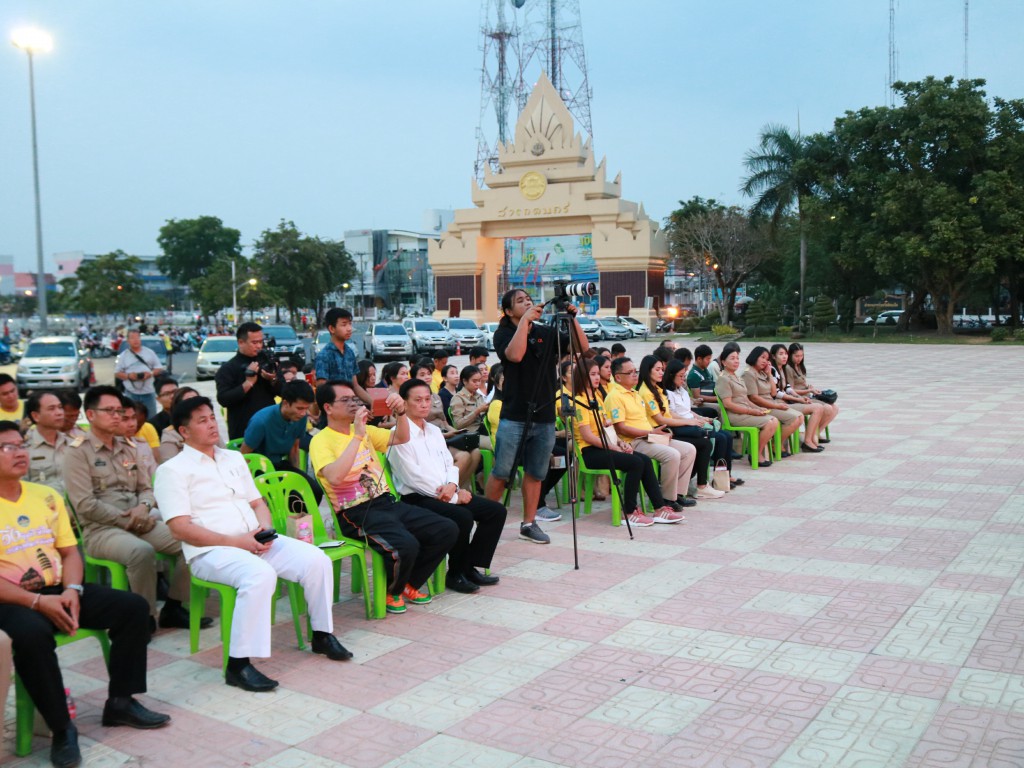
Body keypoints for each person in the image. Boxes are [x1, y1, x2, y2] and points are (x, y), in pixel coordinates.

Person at [0, 421, 170, 768]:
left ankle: (121, 702)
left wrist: (72, 590)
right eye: (8, 447)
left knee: (133, 608)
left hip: (58, 588)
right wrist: (38, 602)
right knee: (32, 635)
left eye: (21, 445)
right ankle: (62, 728)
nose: (20, 453)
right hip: (11, 598)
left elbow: (69, 552)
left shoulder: (45, 496)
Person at [155, 397, 351, 693]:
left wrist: (265, 529)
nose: (212, 425)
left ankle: (322, 634)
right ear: (184, 431)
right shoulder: (173, 470)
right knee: (259, 575)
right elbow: (180, 528)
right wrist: (237, 542)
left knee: (316, 559)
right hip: (211, 552)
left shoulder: (233, 459)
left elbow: (258, 503)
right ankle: (238, 665)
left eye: (212, 417)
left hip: (254, 541)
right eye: (202, 421)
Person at [309, 380, 457, 614]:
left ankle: (408, 583)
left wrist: (401, 413)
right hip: (354, 512)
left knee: (446, 528)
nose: (353, 404)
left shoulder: (363, 430)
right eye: (345, 400)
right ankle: (392, 591)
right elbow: (335, 477)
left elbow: (401, 437)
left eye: (354, 399)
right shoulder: (321, 440)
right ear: (328, 407)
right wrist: (357, 437)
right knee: (406, 545)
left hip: (385, 502)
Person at [63, 386, 201, 630]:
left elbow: (147, 488)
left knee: (193, 540)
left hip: (139, 521)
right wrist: (129, 519)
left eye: (119, 411)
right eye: (109, 411)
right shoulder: (77, 452)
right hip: (101, 529)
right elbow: (85, 504)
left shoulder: (129, 446)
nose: (116, 416)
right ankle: (144, 617)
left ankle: (174, 606)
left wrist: (144, 507)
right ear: (91, 415)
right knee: (141, 552)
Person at [486, 289, 589, 545]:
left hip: (544, 415)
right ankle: (486, 520)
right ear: (508, 311)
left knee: (536, 472)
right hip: (514, 414)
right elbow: (515, 355)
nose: (527, 303)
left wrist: (572, 319)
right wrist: (524, 322)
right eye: (520, 301)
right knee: (502, 471)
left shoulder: (545, 332)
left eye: (529, 300)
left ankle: (529, 524)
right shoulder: (503, 334)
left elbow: (581, 348)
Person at [388, 379, 505, 594]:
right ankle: (455, 574)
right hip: (417, 498)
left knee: (495, 511)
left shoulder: (433, 431)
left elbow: (449, 463)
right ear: (404, 403)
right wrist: (454, 497)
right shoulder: (398, 435)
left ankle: (469, 567)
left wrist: (453, 485)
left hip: (447, 490)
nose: (424, 404)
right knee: (462, 516)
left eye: (427, 399)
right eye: (418, 400)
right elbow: (413, 478)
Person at [569, 360, 673, 526]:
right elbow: (588, 437)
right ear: (581, 377)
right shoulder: (579, 402)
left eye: (598, 374)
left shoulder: (597, 399)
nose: (597, 378)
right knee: (635, 462)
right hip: (589, 452)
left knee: (645, 460)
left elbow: (607, 428)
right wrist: (613, 447)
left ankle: (659, 509)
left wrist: (620, 442)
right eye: (592, 374)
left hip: (605, 446)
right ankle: (629, 512)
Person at [604, 357, 692, 518]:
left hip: (648, 436)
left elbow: (644, 422)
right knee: (672, 454)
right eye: (630, 372)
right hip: (633, 441)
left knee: (688, 449)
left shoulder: (635, 394)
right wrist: (650, 433)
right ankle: (666, 500)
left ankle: (678, 494)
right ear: (618, 377)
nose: (634, 375)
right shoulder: (615, 396)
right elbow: (621, 428)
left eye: (635, 371)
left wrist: (657, 432)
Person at [638, 355, 723, 499]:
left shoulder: (657, 389)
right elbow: (660, 419)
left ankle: (682, 491)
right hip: (658, 433)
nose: (661, 373)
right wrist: (689, 422)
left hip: (665, 430)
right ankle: (686, 490)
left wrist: (694, 420)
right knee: (701, 441)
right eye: (657, 370)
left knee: (704, 441)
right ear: (647, 371)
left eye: (662, 369)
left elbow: (669, 414)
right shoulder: (646, 392)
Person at [662, 359, 742, 489]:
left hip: (691, 422)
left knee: (726, 436)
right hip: (681, 425)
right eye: (681, 376)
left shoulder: (681, 390)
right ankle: (712, 481)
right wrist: (692, 421)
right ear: (671, 375)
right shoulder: (667, 393)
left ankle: (725, 476)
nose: (683, 379)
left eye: (684, 375)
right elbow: (671, 414)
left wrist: (701, 418)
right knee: (719, 438)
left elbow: (688, 410)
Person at [241, 379, 324, 504]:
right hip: (259, 469)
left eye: (306, 408)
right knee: (283, 498)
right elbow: (244, 456)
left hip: (280, 464)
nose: (303, 413)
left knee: (314, 491)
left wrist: (297, 477)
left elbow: (294, 449)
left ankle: (300, 516)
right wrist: (251, 487)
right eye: (299, 408)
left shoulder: (300, 418)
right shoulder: (261, 421)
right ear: (285, 403)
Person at [411, 363, 481, 491]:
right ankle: (447, 489)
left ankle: (461, 487)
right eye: (422, 375)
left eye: (429, 374)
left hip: (445, 435)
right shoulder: (413, 401)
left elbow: (445, 423)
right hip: (433, 439)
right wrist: (445, 435)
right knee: (464, 456)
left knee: (475, 452)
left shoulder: (436, 396)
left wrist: (458, 432)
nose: (427, 377)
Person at [716, 348, 779, 466]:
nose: (736, 361)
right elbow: (728, 404)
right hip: (734, 415)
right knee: (770, 422)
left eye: (737, 358)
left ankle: (756, 452)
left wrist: (758, 409)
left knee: (774, 420)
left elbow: (745, 399)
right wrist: (751, 411)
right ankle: (756, 455)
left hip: (744, 412)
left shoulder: (737, 377)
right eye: (732, 358)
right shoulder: (723, 379)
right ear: (723, 362)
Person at [215, 322, 279, 440]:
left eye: (261, 342)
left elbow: (284, 391)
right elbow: (223, 399)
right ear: (241, 342)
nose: (259, 346)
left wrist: (273, 379)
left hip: (270, 427)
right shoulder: (228, 369)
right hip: (243, 430)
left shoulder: (267, 362)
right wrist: (248, 383)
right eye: (254, 343)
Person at [742, 346, 803, 457]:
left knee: (800, 416)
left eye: (767, 359)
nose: (765, 361)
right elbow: (754, 398)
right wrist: (776, 406)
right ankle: (776, 444)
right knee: (794, 418)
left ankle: (777, 443)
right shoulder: (749, 373)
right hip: (761, 406)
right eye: (762, 357)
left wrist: (769, 374)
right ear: (754, 356)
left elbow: (773, 393)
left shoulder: (762, 372)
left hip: (771, 404)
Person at [770, 344, 826, 452]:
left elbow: (787, 387)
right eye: (781, 354)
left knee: (820, 407)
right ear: (773, 356)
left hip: (786, 401)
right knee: (817, 408)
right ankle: (806, 441)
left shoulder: (782, 368)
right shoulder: (773, 370)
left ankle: (810, 439)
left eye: (785, 354)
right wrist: (798, 399)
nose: (784, 356)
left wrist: (798, 396)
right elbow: (776, 393)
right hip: (778, 403)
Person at [25, 391, 80, 498]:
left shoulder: (73, 443)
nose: (59, 413)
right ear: (36, 416)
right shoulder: (25, 448)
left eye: (60, 407)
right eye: (51, 409)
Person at [785, 343, 840, 443]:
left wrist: (809, 388)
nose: (799, 358)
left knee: (835, 408)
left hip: (807, 395)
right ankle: (811, 435)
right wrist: (809, 390)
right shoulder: (789, 368)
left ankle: (816, 433)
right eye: (796, 356)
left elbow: (801, 384)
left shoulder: (800, 366)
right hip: (798, 398)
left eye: (801, 356)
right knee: (827, 408)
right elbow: (791, 390)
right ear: (790, 355)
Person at [314, 308, 370, 405]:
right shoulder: (324, 355)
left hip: (350, 405)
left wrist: (373, 403)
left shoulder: (350, 353)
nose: (349, 328)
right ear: (332, 329)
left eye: (350, 324)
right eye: (344, 325)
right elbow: (322, 389)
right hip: (334, 409)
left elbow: (355, 386)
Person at [114, 330, 165, 419]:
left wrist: (150, 374)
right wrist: (129, 376)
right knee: (132, 418)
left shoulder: (149, 352)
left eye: (137, 337)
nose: (135, 340)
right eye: (132, 338)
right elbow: (117, 373)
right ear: (128, 340)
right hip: (131, 393)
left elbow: (159, 368)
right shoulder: (123, 356)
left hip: (148, 392)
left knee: (151, 419)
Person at [449, 366, 493, 449]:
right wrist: (477, 411)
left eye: (479, 380)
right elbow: (458, 425)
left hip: (485, 429)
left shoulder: (478, 396)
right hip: (470, 434)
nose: (478, 384)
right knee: (495, 444)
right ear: (465, 381)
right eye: (474, 381)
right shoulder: (458, 398)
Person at [119, 399, 159, 481]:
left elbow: (154, 475)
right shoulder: (106, 446)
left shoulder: (143, 446)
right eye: (125, 419)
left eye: (133, 418)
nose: (132, 424)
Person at [686, 344, 720, 416]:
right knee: (720, 407)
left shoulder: (704, 370)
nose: (709, 361)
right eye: (707, 359)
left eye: (710, 359)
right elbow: (697, 396)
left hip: (711, 398)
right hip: (701, 403)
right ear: (699, 359)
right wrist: (717, 398)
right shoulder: (694, 375)